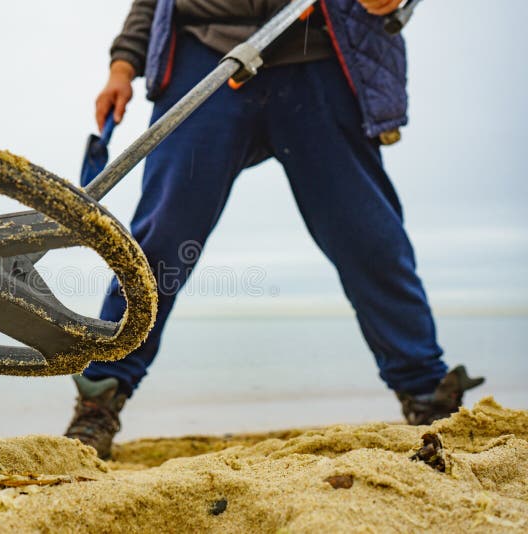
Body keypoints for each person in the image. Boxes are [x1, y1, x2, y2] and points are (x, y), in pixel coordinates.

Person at [65, 0, 484, 460]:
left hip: (318, 54)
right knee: (161, 238)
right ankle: (99, 399)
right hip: (203, 56)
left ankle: (427, 395)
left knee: (370, 237)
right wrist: (123, 66)